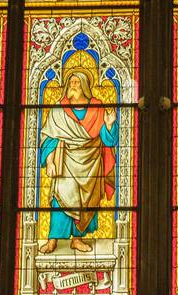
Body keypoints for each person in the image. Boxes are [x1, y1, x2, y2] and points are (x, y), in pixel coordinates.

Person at [40, 69, 119, 254]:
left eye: (76, 82)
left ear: (84, 85)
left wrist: (108, 125)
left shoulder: (97, 108)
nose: (72, 86)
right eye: (71, 82)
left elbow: (108, 141)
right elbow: (49, 138)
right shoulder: (59, 109)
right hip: (66, 162)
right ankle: (52, 240)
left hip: (91, 164)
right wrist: (50, 162)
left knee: (87, 203)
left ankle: (77, 239)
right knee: (60, 200)